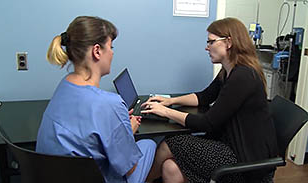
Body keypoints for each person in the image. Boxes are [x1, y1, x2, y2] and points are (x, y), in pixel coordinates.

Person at [142, 17, 278, 183]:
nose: (207, 47)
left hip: (244, 160)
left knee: (170, 143)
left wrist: (166, 112)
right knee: (170, 168)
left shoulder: (243, 76)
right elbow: (204, 97)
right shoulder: (228, 72)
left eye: (211, 42)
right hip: (229, 146)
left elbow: (207, 123)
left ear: (228, 42)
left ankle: (140, 181)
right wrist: (169, 101)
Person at [36, 16, 156, 183]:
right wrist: (128, 131)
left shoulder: (64, 86)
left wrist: (118, 123)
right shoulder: (109, 104)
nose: (112, 52)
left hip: (54, 175)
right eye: (111, 47)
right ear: (97, 51)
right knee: (149, 144)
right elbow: (129, 168)